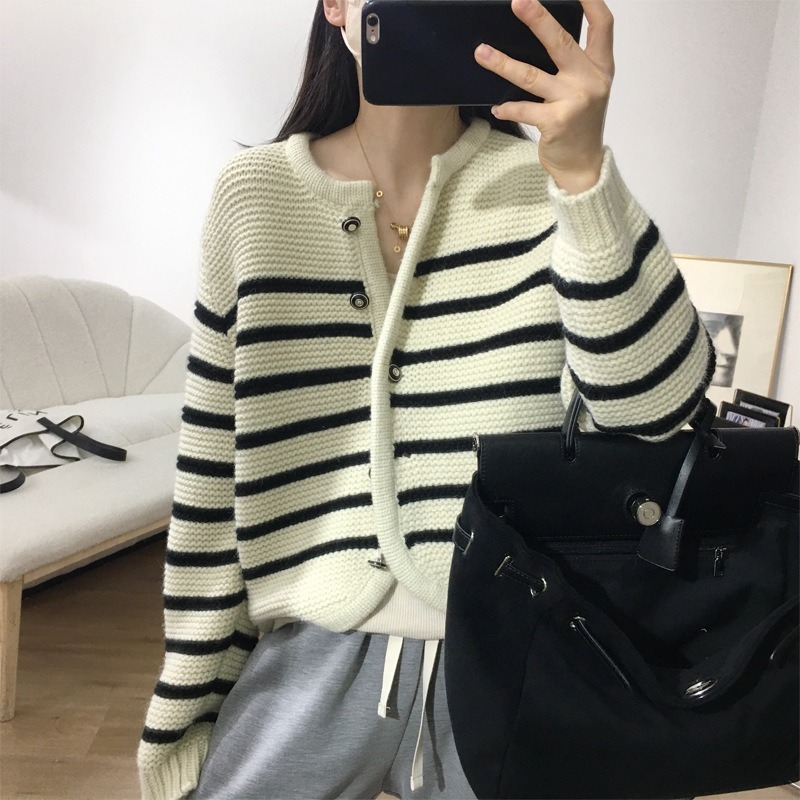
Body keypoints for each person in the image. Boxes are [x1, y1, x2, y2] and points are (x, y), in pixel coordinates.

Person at [137, 0, 715, 798]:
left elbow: (659, 416)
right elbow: (210, 470)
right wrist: (187, 705)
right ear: (336, 6)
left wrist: (584, 177)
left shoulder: (550, 184)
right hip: (310, 649)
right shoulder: (255, 197)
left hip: (509, 657)